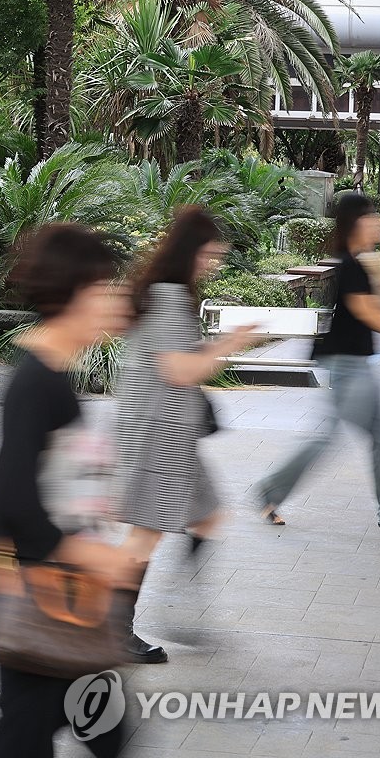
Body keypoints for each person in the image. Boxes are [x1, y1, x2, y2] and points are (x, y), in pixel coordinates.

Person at [0, 223, 135, 758]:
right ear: (73, 293)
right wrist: (84, 549)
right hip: (36, 588)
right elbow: (14, 497)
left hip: (60, 588)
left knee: (95, 727)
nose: (111, 302)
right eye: (103, 289)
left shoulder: (54, 371)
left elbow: (49, 480)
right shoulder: (36, 381)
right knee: (32, 733)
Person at [112, 206, 259, 664]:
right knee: (145, 534)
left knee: (209, 514)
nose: (212, 262)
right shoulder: (170, 295)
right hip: (160, 435)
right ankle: (116, 629)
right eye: (209, 253)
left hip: (173, 434)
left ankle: (180, 607)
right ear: (190, 251)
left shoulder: (161, 293)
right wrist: (234, 342)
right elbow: (181, 369)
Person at [255, 193, 380, 528]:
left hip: (359, 364)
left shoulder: (358, 262)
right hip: (349, 366)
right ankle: (269, 491)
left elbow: (378, 308)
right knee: (326, 437)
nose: (379, 223)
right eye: (372, 218)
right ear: (356, 223)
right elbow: (367, 313)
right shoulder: (350, 266)